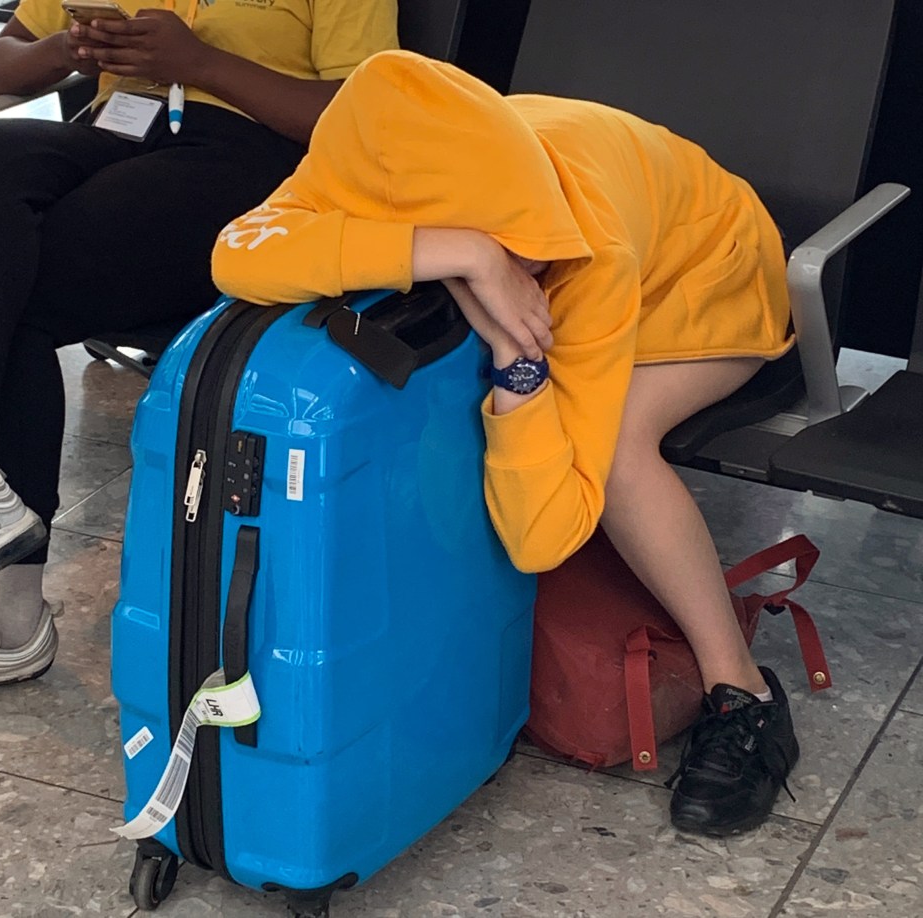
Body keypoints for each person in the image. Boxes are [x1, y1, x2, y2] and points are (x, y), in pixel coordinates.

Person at [210, 50, 801, 838]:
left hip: (705, 270)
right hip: (590, 212)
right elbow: (235, 253)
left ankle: (746, 692)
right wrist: (468, 256)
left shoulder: (586, 248)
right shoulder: (374, 161)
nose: (525, 258)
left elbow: (546, 536)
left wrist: (521, 374)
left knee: (621, 448)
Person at [0, 0, 398, 701]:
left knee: (0, 280)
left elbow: (360, 114)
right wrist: (67, 51)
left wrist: (198, 64)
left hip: (248, 153)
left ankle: (8, 614)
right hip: (110, 133)